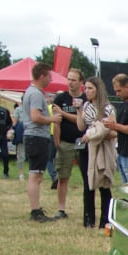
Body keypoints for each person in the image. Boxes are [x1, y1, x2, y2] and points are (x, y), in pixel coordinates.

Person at [49, 67, 86, 221]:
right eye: (68, 79)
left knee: (87, 176)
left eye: (73, 80)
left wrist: (64, 114)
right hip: (65, 141)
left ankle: (87, 208)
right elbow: (57, 121)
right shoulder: (60, 99)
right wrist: (56, 141)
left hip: (82, 140)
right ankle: (61, 209)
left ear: (81, 82)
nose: (70, 82)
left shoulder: (86, 99)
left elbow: (83, 120)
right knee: (63, 176)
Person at [80, 76, 117, 229]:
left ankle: (105, 220)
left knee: (104, 183)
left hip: (103, 148)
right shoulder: (86, 107)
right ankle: (88, 219)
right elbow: (81, 127)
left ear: (98, 89)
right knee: (88, 183)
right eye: (86, 88)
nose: (87, 91)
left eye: (90, 88)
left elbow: (114, 131)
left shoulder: (108, 108)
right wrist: (78, 111)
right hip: (88, 149)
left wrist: (95, 135)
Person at [22, 62, 56, 222]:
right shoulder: (35, 94)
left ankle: (35, 209)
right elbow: (35, 117)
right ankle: (35, 211)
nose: (50, 79)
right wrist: (52, 119)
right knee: (35, 176)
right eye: (49, 76)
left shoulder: (31, 92)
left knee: (36, 175)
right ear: (41, 76)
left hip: (34, 137)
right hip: (36, 137)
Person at [12, 105, 26, 180]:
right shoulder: (18, 109)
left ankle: (33, 173)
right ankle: (21, 174)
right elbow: (14, 122)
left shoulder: (34, 108)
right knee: (21, 155)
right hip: (21, 134)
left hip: (32, 133)